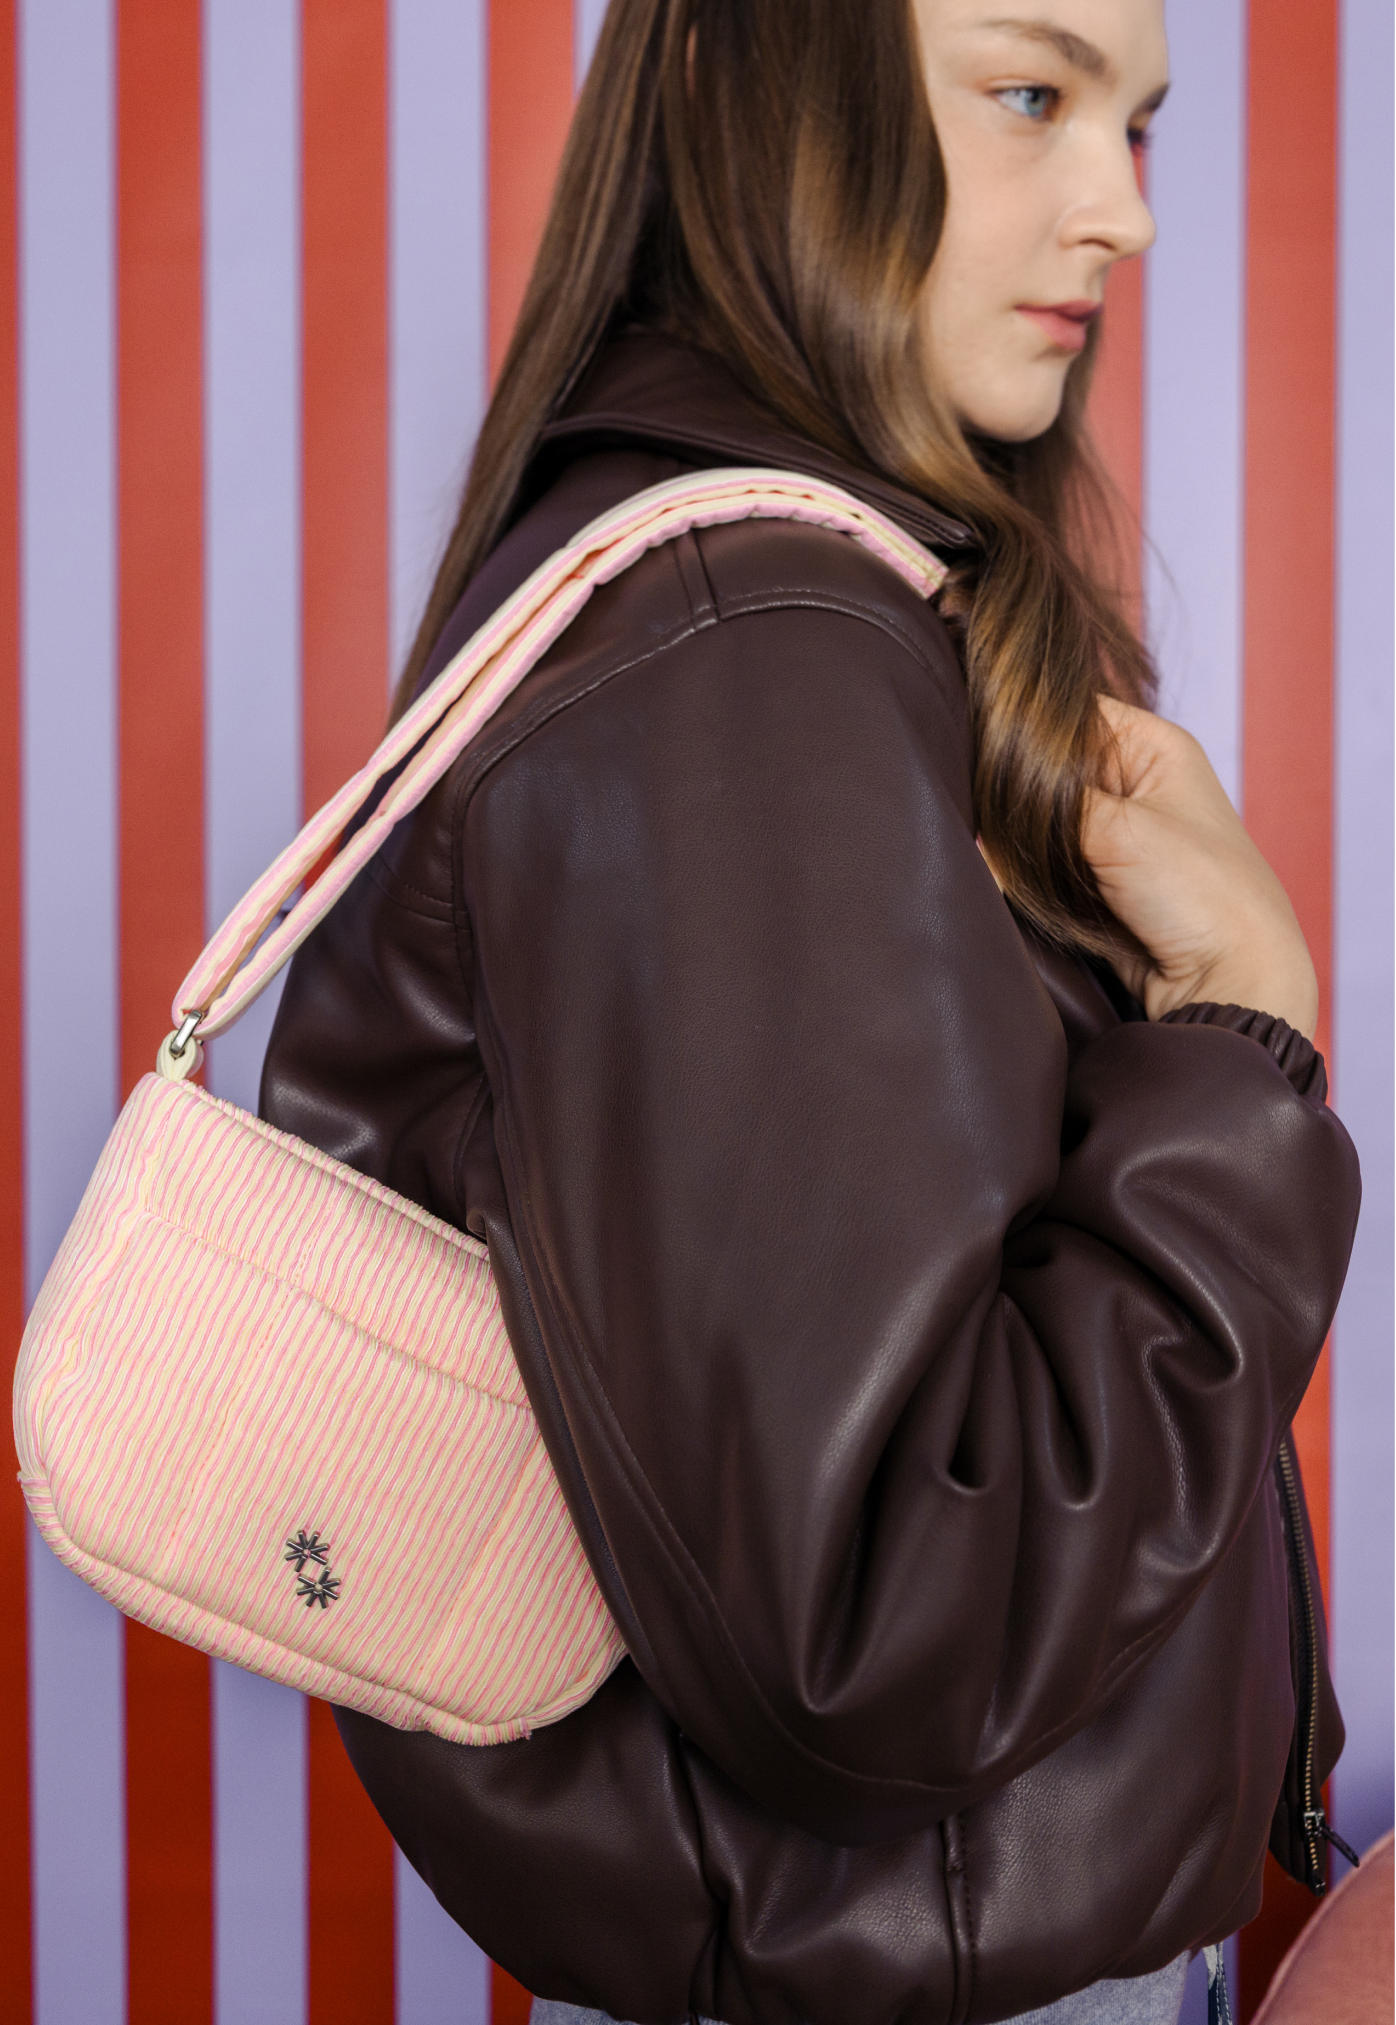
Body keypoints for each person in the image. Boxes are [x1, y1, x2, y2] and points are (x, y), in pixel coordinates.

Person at [260, 0, 1360, 2019]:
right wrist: (1240, 1031)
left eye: (1133, 123)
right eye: (1028, 94)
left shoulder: (770, 607)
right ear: (759, 81)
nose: (1120, 209)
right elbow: (886, 1631)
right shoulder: (748, 644)